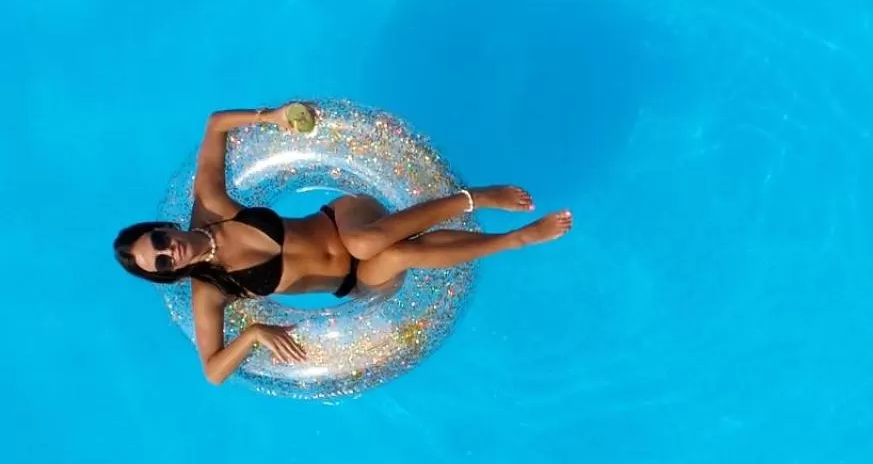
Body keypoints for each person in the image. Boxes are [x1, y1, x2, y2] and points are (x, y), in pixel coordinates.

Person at [114, 103, 573, 384]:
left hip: (346, 218)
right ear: (166, 273)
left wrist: (271, 117)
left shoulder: (211, 205)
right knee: (394, 254)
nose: (166, 250)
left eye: (158, 240)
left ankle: (474, 199)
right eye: (158, 262)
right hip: (355, 280)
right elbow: (213, 372)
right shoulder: (211, 291)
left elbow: (215, 125)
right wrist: (253, 334)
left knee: (367, 240)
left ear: (163, 227)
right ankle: (516, 239)